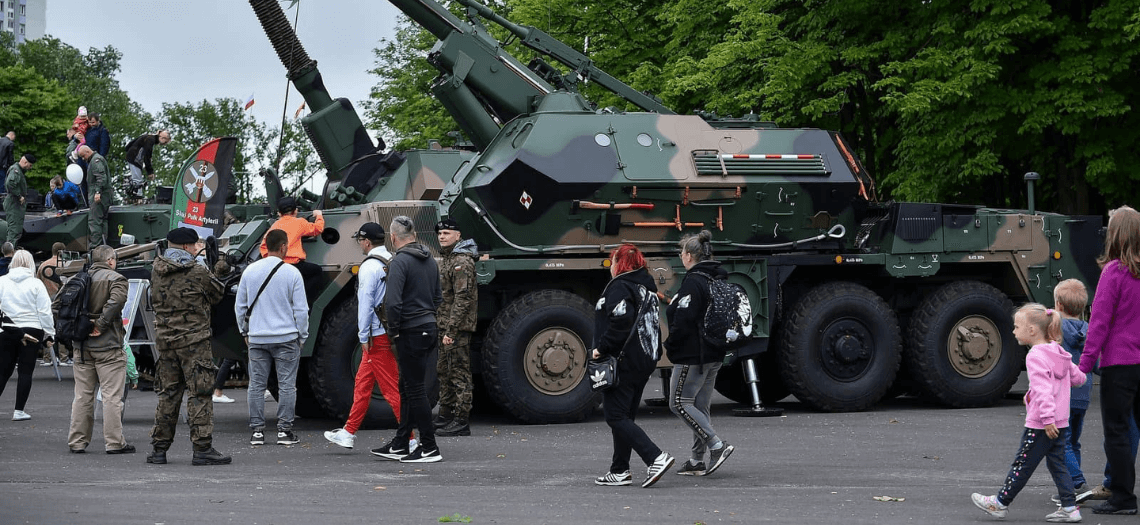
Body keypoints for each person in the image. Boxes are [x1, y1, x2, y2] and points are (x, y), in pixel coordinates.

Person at [972, 304, 1085, 522]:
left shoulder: (1035, 356)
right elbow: (1078, 378)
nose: (1014, 331)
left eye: (1016, 327)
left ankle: (1000, 503)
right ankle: (1070, 508)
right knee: (1058, 464)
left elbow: (1043, 391)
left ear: (1032, 330)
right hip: (1060, 422)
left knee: (1022, 463)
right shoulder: (1058, 352)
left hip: (1042, 423)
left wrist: (1047, 418)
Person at [592, 244, 675, 488]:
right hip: (644, 360)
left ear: (619, 263)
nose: (610, 266)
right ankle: (620, 470)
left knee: (615, 415)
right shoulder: (646, 288)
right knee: (625, 416)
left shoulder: (620, 286)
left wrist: (601, 349)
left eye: (612, 261)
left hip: (623, 360)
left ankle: (655, 457)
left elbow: (620, 321)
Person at [147, 227, 231, 466]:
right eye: (195, 246)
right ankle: (202, 448)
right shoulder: (197, 270)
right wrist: (218, 270)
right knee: (200, 394)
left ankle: (159, 450)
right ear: (186, 246)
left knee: (168, 394)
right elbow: (217, 294)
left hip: (165, 341)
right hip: (194, 342)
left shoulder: (157, 269)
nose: (197, 249)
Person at [325, 222, 411, 450]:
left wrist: (363, 336)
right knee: (363, 384)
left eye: (360, 241)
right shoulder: (393, 261)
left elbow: (365, 305)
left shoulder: (368, 267)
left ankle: (410, 439)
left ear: (366, 241)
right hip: (389, 330)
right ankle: (348, 431)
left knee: (391, 389)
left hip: (375, 335)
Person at [1077, 205, 1140, 515]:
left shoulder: (1114, 272)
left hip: (1120, 364)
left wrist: (1084, 367)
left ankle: (1123, 498)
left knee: (1116, 430)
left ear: (1115, 235)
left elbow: (1099, 324)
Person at [368, 216, 443, 463]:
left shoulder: (400, 262)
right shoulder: (430, 259)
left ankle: (429, 446)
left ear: (393, 237)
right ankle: (401, 443)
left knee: (415, 389)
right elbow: (438, 297)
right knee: (407, 386)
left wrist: (394, 331)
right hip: (428, 326)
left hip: (409, 330)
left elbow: (392, 301)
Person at [665, 230, 734, 477]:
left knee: (679, 403)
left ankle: (717, 445)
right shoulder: (715, 278)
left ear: (689, 256)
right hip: (714, 351)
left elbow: (684, 318)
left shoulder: (693, 281)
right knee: (699, 407)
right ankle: (696, 459)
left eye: (682, 253)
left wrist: (671, 345)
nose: (680, 257)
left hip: (693, 353)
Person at [58, 245, 134, 454]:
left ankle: (77, 441)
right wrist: (100, 324)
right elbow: (117, 301)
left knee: (82, 396)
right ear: (110, 260)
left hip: (81, 345)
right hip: (108, 344)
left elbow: (57, 305)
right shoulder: (116, 278)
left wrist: (77, 326)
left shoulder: (77, 278)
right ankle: (114, 442)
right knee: (111, 396)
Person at [235, 229, 308, 446]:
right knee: (287, 385)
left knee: (256, 385)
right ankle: (284, 431)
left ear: (265, 246)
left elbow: (240, 306)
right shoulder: (292, 273)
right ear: (284, 246)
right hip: (286, 337)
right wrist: (302, 335)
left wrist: (244, 331)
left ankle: (257, 431)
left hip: (257, 337)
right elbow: (301, 309)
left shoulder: (250, 271)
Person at [433, 218, 477, 437]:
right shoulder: (449, 259)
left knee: (459, 374)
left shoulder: (462, 261)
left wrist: (452, 330)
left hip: (456, 328)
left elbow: (463, 298)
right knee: (444, 371)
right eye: (440, 233)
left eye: (447, 233)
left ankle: (461, 420)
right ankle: (445, 415)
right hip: (445, 325)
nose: (442, 236)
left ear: (458, 236)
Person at [0, 250, 55, 422]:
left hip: (7, 330)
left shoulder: (1, 281)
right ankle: (19, 411)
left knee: (3, 371)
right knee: (26, 371)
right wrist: (49, 334)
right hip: (32, 328)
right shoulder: (36, 283)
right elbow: (45, 312)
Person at [1050, 279, 1092, 502]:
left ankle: (1077, 483)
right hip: (1082, 396)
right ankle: (1071, 488)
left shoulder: (1057, 329)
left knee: (1061, 443)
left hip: (1062, 397)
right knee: (1073, 442)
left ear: (1058, 304)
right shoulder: (1089, 331)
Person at [258, 196, 324, 302]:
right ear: (296, 210)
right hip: (295, 265)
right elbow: (317, 229)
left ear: (279, 213)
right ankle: (305, 300)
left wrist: (271, 260)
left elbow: (263, 247)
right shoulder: (300, 222)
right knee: (317, 272)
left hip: (277, 266)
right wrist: (319, 215)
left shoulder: (275, 226)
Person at [36, 242, 67, 365]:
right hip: (61, 302)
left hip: (46, 300)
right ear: (62, 252)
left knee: (47, 328)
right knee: (62, 327)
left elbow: (37, 283)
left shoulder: (43, 265)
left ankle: (47, 357)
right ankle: (64, 357)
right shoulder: (65, 265)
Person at [78, 145, 113, 247]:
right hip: (105, 195)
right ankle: (103, 245)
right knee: (103, 221)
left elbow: (101, 177)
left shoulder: (95, 160)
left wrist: (97, 192)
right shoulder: (97, 159)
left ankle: (95, 247)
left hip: (99, 196)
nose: (83, 159)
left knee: (94, 221)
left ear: (87, 152)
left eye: (83, 156)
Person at [124, 130, 170, 201]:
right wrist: (150, 172)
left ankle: (132, 189)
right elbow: (147, 155)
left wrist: (128, 150)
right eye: (165, 142)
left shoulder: (148, 137)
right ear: (163, 138)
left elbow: (130, 143)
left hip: (132, 156)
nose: (164, 144)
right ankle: (137, 196)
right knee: (137, 179)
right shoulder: (150, 140)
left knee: (137, 176)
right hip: (135, 158)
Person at [4, 153, 35, 246]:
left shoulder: (18, 170)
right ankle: (9, 255)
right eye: (30, 165)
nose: (30, 167)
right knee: (14, 230)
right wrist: (19, 196)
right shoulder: (16, 170)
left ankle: (12, 250)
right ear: (25, 162)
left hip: (15, 204)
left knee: (16, 230)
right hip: (14, 203)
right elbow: (10, 184)